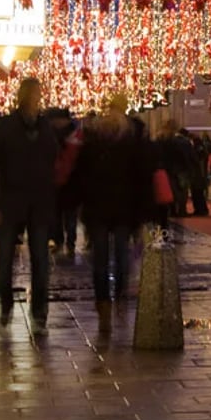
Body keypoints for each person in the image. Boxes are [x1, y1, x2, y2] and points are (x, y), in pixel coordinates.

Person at [0, 77, 57, 334]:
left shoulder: (45, 126)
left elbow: (53, 162)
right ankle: (5, 307)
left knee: (40, 260)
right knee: (5, 261)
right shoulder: (5, 126)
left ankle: (39, 314)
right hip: (10, 201)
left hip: (38, 203)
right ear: (24, 96)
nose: (37, 98)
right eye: (34, 94)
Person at [70, 104, 151, 333]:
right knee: (100, 260)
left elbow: (142, 177)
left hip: (124, 209)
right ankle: (103, 305)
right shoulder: (92, 142)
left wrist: (142, 210)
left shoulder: (132, 142)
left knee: (122, 259)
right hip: (98, 210)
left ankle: (120, 296)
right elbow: (80, 175)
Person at [48, 109, 80, 255]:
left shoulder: (75, 135)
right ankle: (60, 241)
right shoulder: (51, 134)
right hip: (56, 181)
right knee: (57, 215)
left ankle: (70, 244)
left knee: (70, 217)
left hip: (71, 182)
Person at [158, 120, 196, 218]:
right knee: (182, 191)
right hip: (181, 169)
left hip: (167, 168)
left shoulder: (161, 139)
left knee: (172, 190)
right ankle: (182, 211)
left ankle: (172, 210)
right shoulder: (182, 141)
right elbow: (187, 156)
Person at [188, 130, 211, 216]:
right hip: (199, 174)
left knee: (197, 193)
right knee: (198, 193)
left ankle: (201, 210)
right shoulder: (200, 147)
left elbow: (199, 160)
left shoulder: (198, 148)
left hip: (198, 174)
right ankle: (200, 209)